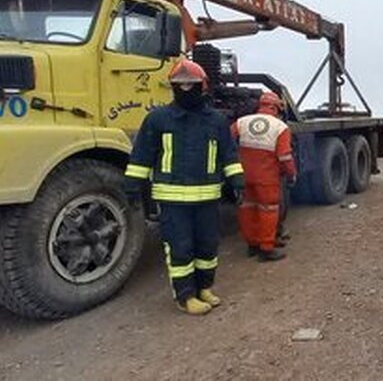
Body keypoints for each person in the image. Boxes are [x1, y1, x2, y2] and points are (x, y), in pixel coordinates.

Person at [125, 59, 244, 316]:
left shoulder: (216, 121)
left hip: (208, 196)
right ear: (172, 87)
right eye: (180, 85)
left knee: (208, 246)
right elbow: (142, 155)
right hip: (172, 199)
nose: (186, 89)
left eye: (192, 84)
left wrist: (237, 182)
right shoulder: (158, 119)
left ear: (203, 87)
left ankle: (205, 288)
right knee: (180, 247)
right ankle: (185, 296)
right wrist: (133, 187)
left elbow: (229, 154)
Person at [232, 91, 297, 262]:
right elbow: (285, 156)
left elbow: (227, 142)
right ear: (277, 108)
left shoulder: (241, 122)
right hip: (267, 177)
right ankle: (266, 248)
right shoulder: (280, 127)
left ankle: (252, 245)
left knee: (247, 209)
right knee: (268, 211)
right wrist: (291, 173)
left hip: (244, 175)